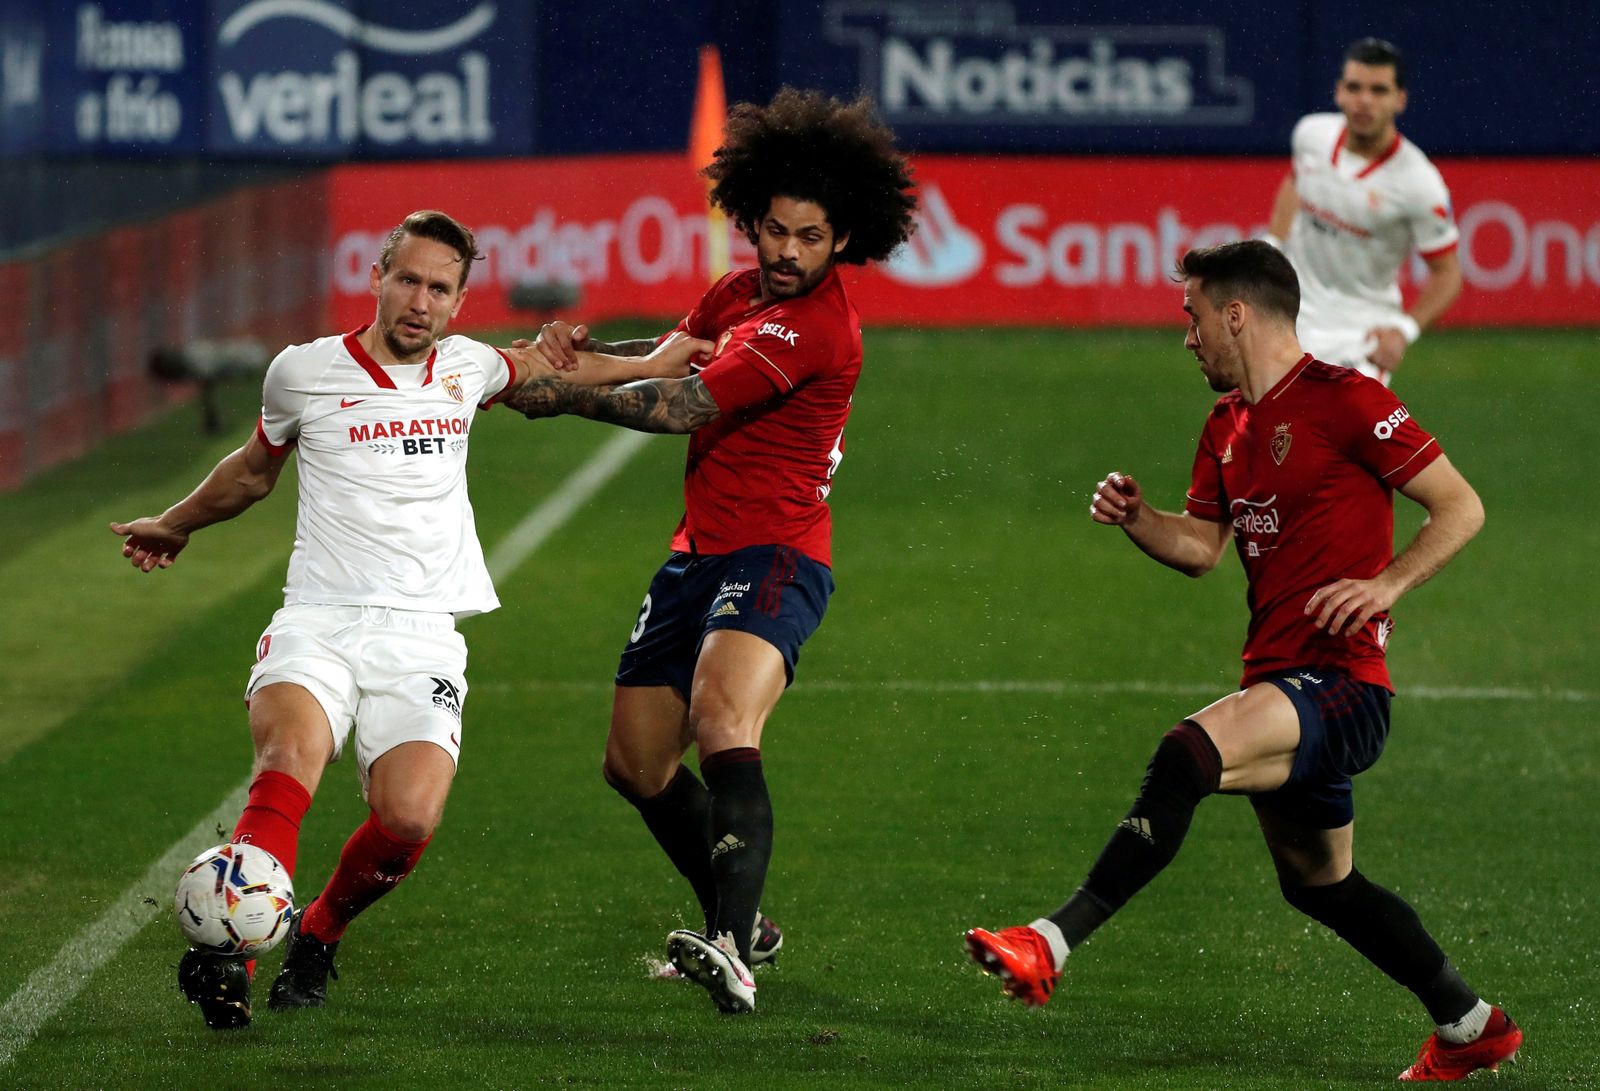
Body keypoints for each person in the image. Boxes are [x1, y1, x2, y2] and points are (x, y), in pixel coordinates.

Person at [111, 210, 703, 1030]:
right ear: (378, 278)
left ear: (459, 302)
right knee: (287, 760)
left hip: (422, 634)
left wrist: (662, 358)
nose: (421, 301)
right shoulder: (303, 371)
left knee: (410, 817)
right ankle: (229, 956)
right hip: (319, 618)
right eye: (409, 280)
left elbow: (551, 370)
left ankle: (317, 930)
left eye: (439, 288)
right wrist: (175, 522)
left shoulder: (467, 367)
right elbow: (251, 471)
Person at [964, 241, 1521, 1082]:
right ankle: (1470, 1023)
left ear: (1236, 314)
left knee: (1186, 752)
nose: (1188, 338)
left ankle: (1049, 941)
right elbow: (1200, 548)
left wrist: (1386, 584)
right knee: (1321, 885)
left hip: (1343, 684)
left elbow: (1460, 504)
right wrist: (1140, 518)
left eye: (1194, 319)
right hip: (1282, 685)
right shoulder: (1226, 427)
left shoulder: (1347, 398)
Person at [502, 87, 917, 1014]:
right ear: (753, 220)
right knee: (635, 765)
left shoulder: (818, 326)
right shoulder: (738, 293)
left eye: (810, 238)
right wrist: (544, 363)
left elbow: (684, 405)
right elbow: (662, 357)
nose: (788, 252)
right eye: (775, 231)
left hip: (779, 553)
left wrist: (560, 396)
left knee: (725, 716)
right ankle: (747, 924)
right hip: (699, 553)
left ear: (843, 240)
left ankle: (729, 944)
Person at [1267, 38, 1462, 386]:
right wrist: (1272, 246)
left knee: (1335, 424)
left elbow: (1447, 275)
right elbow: (1294, 183)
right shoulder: (1311, 135)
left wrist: (1403, 331)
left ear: (1400, 99)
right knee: (1263, 422)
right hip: (1290, 316)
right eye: (1355, 87)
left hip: (1360, 336)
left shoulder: (1419, 183)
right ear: (1339, 92)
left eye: (1379, 90)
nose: (1365, 100)